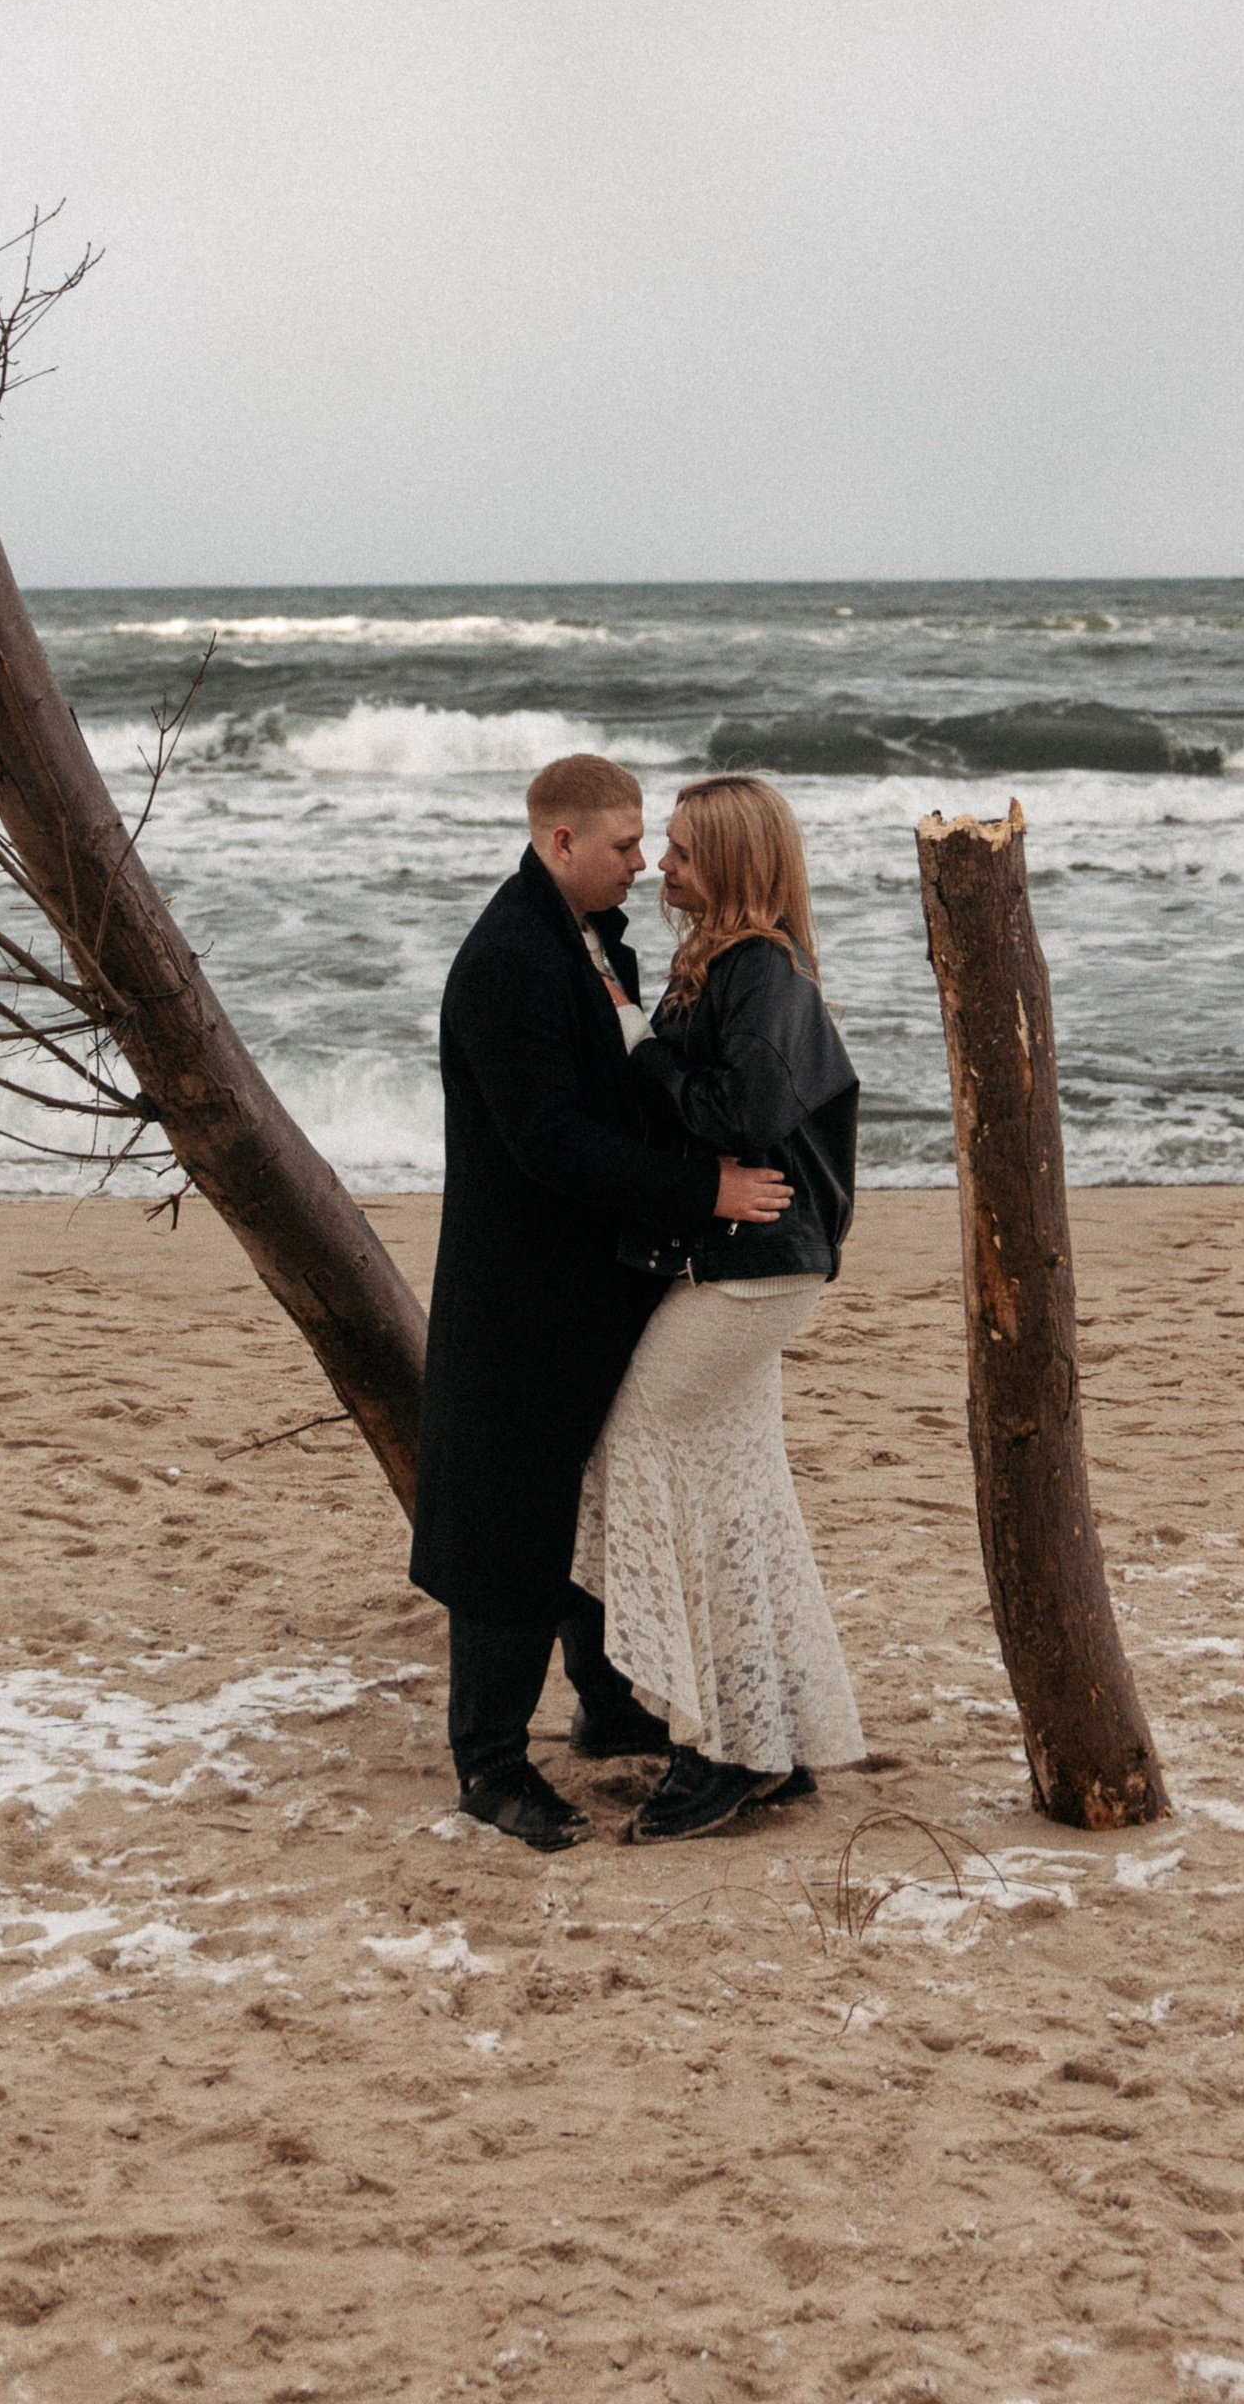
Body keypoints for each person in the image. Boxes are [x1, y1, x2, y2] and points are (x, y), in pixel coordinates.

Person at [408, 753, 792, 1852]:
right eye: (625, 846)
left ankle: (608, 1703)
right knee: (508, 1524)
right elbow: (551, 1144)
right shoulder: (508, 961)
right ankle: (486, 1766)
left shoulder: (590, 938)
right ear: (560, 843)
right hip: (520, 1285)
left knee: (593, 1492)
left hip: (597, 1273)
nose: (645, 864)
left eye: (647, 844)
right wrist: (704, 1187)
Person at [574, 770, 866, 1843]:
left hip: (762, 1260)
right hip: (740, 1256)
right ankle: (765, 1736)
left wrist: (643, 1053)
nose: (661, 865)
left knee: (642, 1446)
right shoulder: (722, 964)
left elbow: (747, 1106)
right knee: (740, 1494)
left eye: (686, 850)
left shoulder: (762, 971)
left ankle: (718, 1745)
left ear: (735, 864)